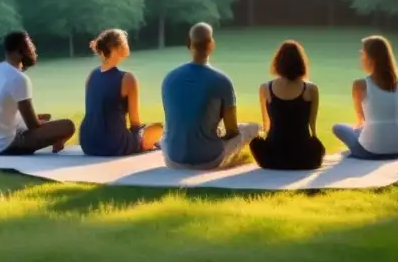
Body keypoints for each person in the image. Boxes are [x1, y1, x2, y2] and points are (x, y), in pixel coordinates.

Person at [160, 23, 261, 170]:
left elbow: (173, 121)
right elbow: (232, 130)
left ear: (189, 45)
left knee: (164, 134)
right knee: (253, 128)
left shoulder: (169, 78)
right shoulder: (222, 81)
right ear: (211, 45)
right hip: (209, 160)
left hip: (173, 159)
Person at [0, 31, 75, 155]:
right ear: (20, 50)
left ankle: (55, 139)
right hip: (6, 144)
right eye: (29, 47)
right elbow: (32, 124)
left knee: (46, 117)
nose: (32, 51)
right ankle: (57, 143)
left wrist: (44, 123)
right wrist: (49, 130)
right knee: (67, 125)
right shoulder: (19, 79)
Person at [79, 28, 163, 157]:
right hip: (114, 144)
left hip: (88, 142)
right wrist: (138, 138)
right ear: (118, 48)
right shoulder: (128, 78)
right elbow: (134, 121)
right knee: (158, 128)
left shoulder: (91, 75)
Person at [249, 40, 325, 170]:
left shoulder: (265, 88)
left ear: (277, 63)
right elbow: (312, 126)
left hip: (273, 158)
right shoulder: (311, 89)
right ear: (301, 63)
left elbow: (266, 126)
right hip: (303, 159)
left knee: (255, 142)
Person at [331, 35, 398, 160]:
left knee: (338, 127)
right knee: (361, 129)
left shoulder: (360, 84)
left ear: (371, 58)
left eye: (363, 54)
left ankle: (359, 147)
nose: (361, 58)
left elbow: (360, 119)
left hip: (371, 152)